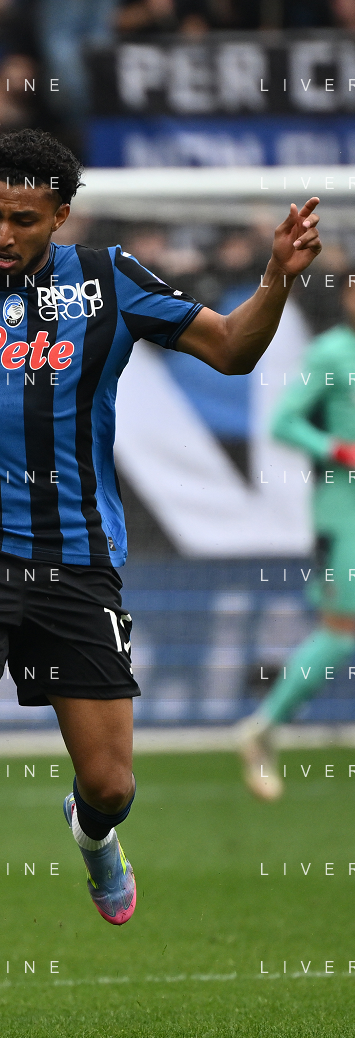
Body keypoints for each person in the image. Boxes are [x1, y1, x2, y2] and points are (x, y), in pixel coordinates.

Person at [0, 128, 322, 1007]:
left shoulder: (108, 280)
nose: (1, 233)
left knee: (110, 781)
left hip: (75, 562)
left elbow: (233, 349)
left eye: (23, 219)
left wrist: (276, 276)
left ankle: (93, 833)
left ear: (61, 215)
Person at [237, 281, 355, 801]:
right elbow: (284, 421)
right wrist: (339, 449)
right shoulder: (331, 353)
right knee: (341, 631)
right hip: (344, 512)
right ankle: (262, 730)